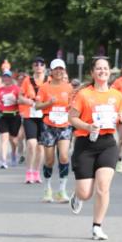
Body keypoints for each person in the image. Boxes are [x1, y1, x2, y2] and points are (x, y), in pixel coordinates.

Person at [68, 57, 122, 239]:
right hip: (85, 144)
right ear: (92, 73)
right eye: (98, 69)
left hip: (107, 143)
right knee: (85, 193)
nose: (102, 71)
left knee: (103, 187)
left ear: (110, 72)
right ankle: (77, 196)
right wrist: (87, 127)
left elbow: (120, 116)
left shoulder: (116, 95)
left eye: (105, 68)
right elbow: (72, 118)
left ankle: (97, 226)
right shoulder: (84, 94)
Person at [36, 59, 74, 203]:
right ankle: (47, 188)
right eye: (56, 69)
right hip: (48, 125)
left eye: (61, 69)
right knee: (50, 160)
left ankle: (62, 190)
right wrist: (48, 103)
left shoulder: (69, 87)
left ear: (64, 70)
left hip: (64, 125)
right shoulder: (44, 88)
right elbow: (37, 106)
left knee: (64, 157)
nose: (59, 71)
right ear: (51, 71)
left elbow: (73, 105)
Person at [18, 57, 47, 183]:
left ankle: (36, 172)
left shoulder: (49, 80)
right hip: (30, 115)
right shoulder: (27, 80)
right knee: (31, 144)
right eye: (36, 64)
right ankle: (29, 172)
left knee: (41, 147)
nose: (39, 66)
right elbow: (19, 97)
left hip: (44, 115)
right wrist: (28, 101)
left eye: (41, 64)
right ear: (33, 67)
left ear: (44, 67)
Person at [0, 69, 21, 168]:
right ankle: (3, 161)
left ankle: (14, 153)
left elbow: (21, 101)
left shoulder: (16, 89)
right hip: (2, 116)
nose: (6, 78)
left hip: (14, 116)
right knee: (4, 138)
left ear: (11, 78)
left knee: (13, 140)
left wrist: (16, 101)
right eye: (4, 76)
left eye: (8, 76)